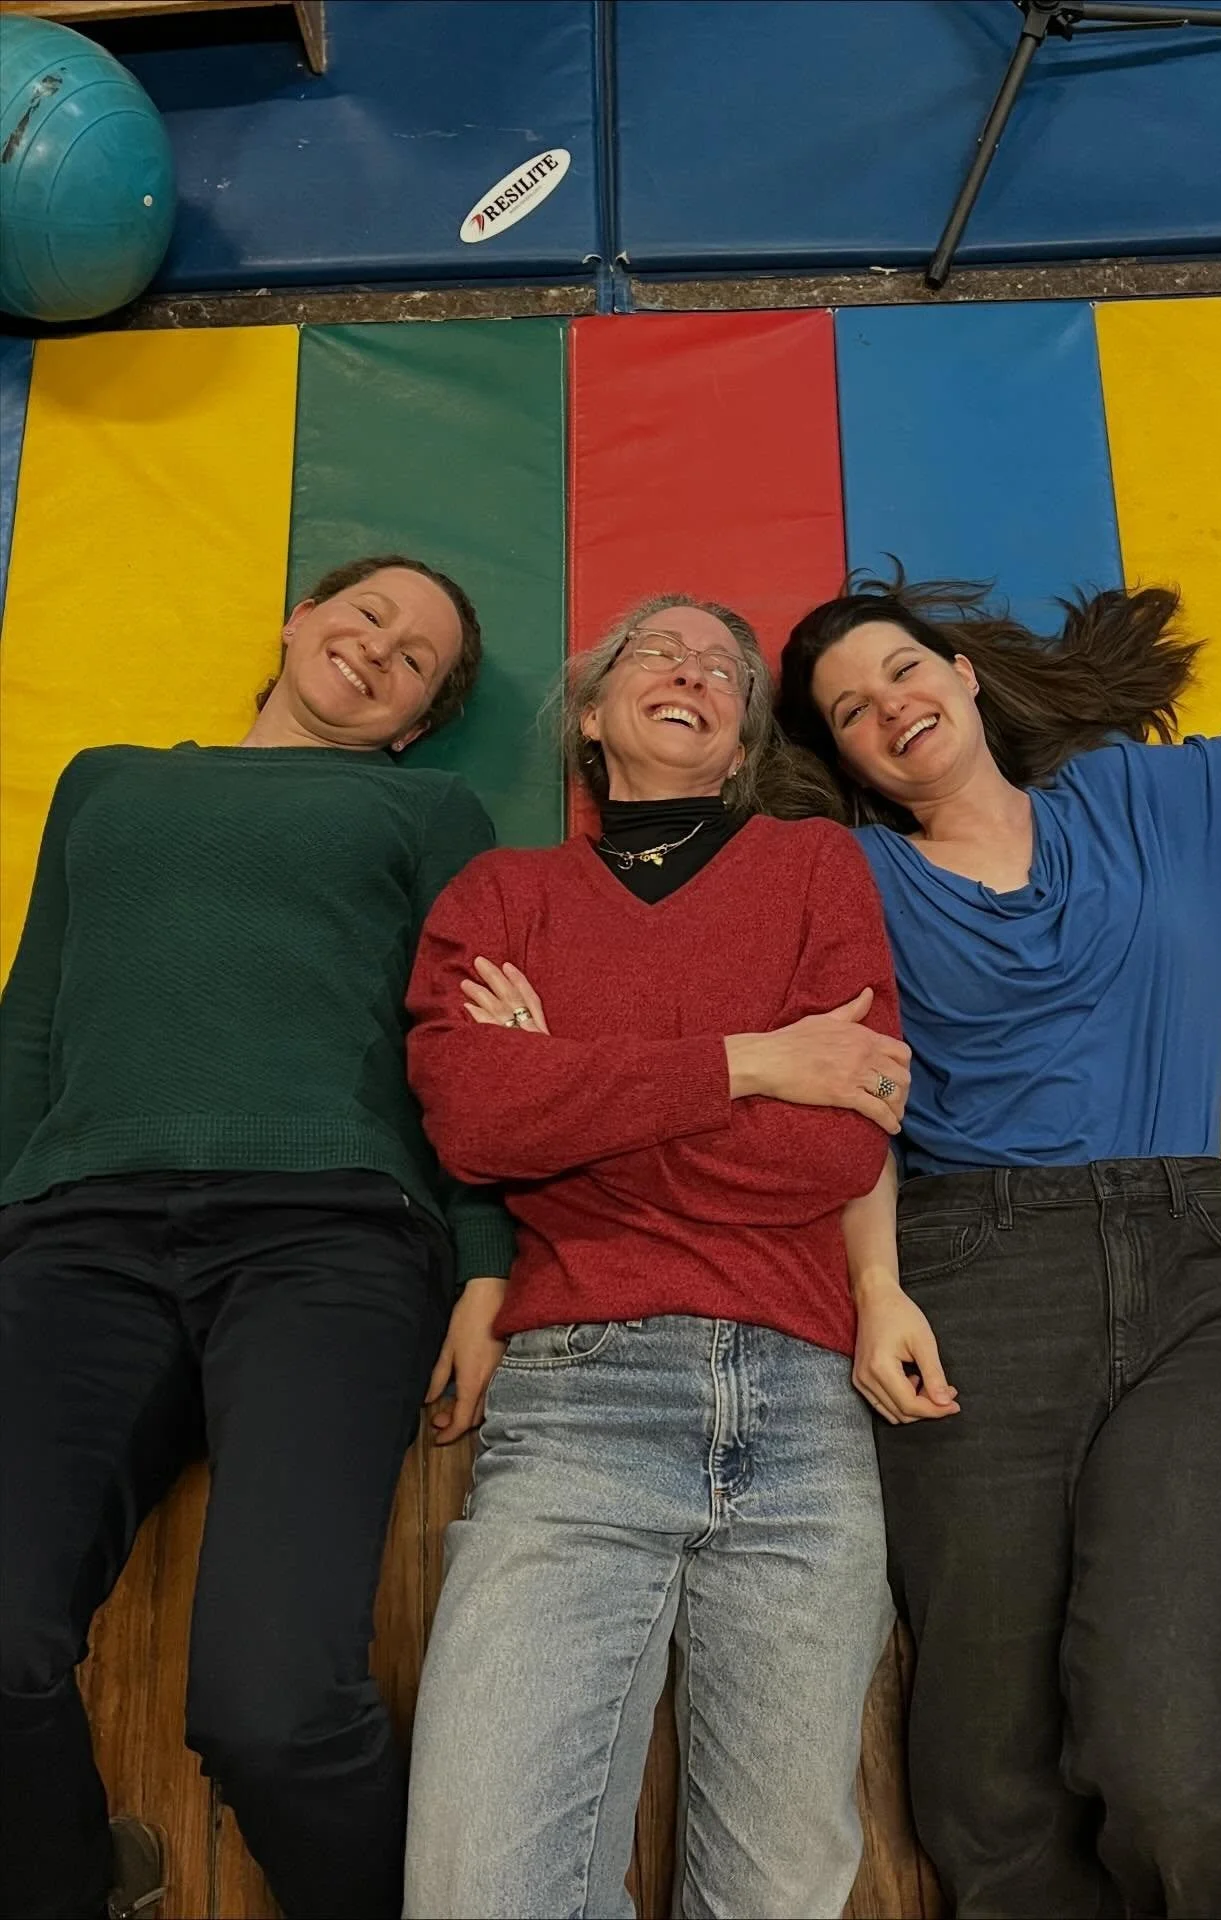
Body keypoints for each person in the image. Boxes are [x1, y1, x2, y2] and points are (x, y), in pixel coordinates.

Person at [775, 511, 1221, 1920]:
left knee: (1181, 1762)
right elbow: (848, 1102)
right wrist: (879, 1289)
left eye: (901, 672)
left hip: (1194, 1266)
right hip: (967, 1283)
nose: (888, 707)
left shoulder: (1152, 806)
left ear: (959, 676)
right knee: (987, 1785)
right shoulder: (851, 885)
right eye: (849, 713)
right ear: (842, 763)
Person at [0, 556, 514, 1920]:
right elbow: (30, 1028)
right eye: (366, 616)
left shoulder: (426, 810)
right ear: (296, 619)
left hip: (328, 1242)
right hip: (76, 1239)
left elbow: (469, 1055)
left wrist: (484, 1263)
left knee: (275, 1709)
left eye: (414, 660)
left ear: (414, 723)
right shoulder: (105, 782)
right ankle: (71, 1887)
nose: (377, 650)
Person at [402, 596, 913, 1920]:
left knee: (776, 1895)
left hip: (802, 1410)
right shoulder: (502, 896)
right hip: (577, 1405)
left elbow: (834, 1157)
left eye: (725, 672)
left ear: (741, 739)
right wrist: (753, 1062)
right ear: (591, 711)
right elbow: (471, 1122)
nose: (694, 670)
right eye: (658, 651)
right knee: (477, 1891)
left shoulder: (813, 871)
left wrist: (567, 1094)